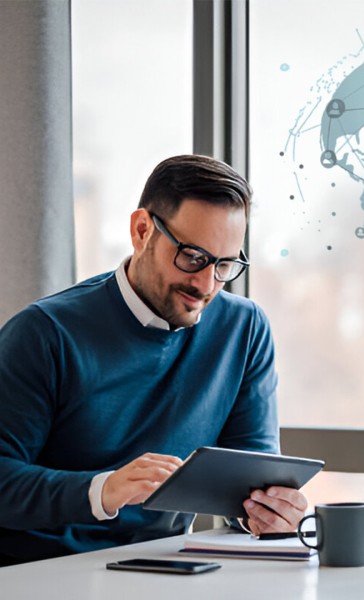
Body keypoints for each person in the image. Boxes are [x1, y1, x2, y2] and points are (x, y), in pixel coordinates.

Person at [0, 154, 307, 566]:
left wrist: (269, 514)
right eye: (193, 257)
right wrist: (103, 490)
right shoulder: (44, 333)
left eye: (224, 265)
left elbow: (250, 480)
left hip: (167, 567)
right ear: (142, 230)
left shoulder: (244, 329)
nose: (205, 284)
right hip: (46, 572)